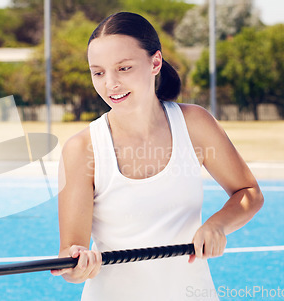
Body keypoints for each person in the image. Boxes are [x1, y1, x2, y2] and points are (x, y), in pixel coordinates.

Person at [51, 12, 264, 300]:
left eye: (123, 68)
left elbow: (248, 192)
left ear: (155, 62)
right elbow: (71, 254)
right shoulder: (81, 149)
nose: (110, 83)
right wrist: (76, 266)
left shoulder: (195, 124)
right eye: (98, 72)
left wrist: (217, 225)